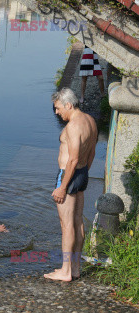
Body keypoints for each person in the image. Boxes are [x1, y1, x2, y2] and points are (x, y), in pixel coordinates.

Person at [45, 87, 98, 282]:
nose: (57, 112)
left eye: (58, 108)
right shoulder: (90, 121)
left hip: (68, 174)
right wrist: (83, 176)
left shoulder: (74, 126)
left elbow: (73, 159)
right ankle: (75, 268)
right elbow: (91, 153)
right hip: (82, 174)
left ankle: (65, 270)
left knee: (66, 225)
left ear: (68, 104)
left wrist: (62, 186)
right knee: (77, 222)